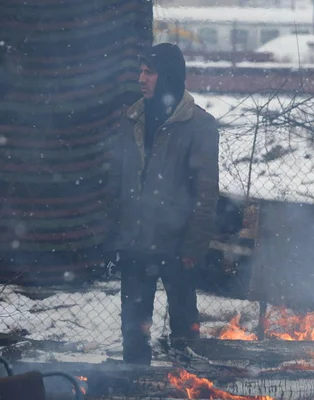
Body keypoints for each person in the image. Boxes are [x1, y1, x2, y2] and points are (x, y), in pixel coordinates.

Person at [104, 43, 220, 365]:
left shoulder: (199, 125)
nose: (141, 79)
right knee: (134, 332)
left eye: (149, 72)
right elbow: (118, 180)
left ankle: (189, 386)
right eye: (140, 71)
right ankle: (135, 386)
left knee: (185, 333)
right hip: (136, 243)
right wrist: (116, 234)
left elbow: (206, 192)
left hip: (176, 246)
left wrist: (193, 247)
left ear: (167, 76)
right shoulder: (132, 119)